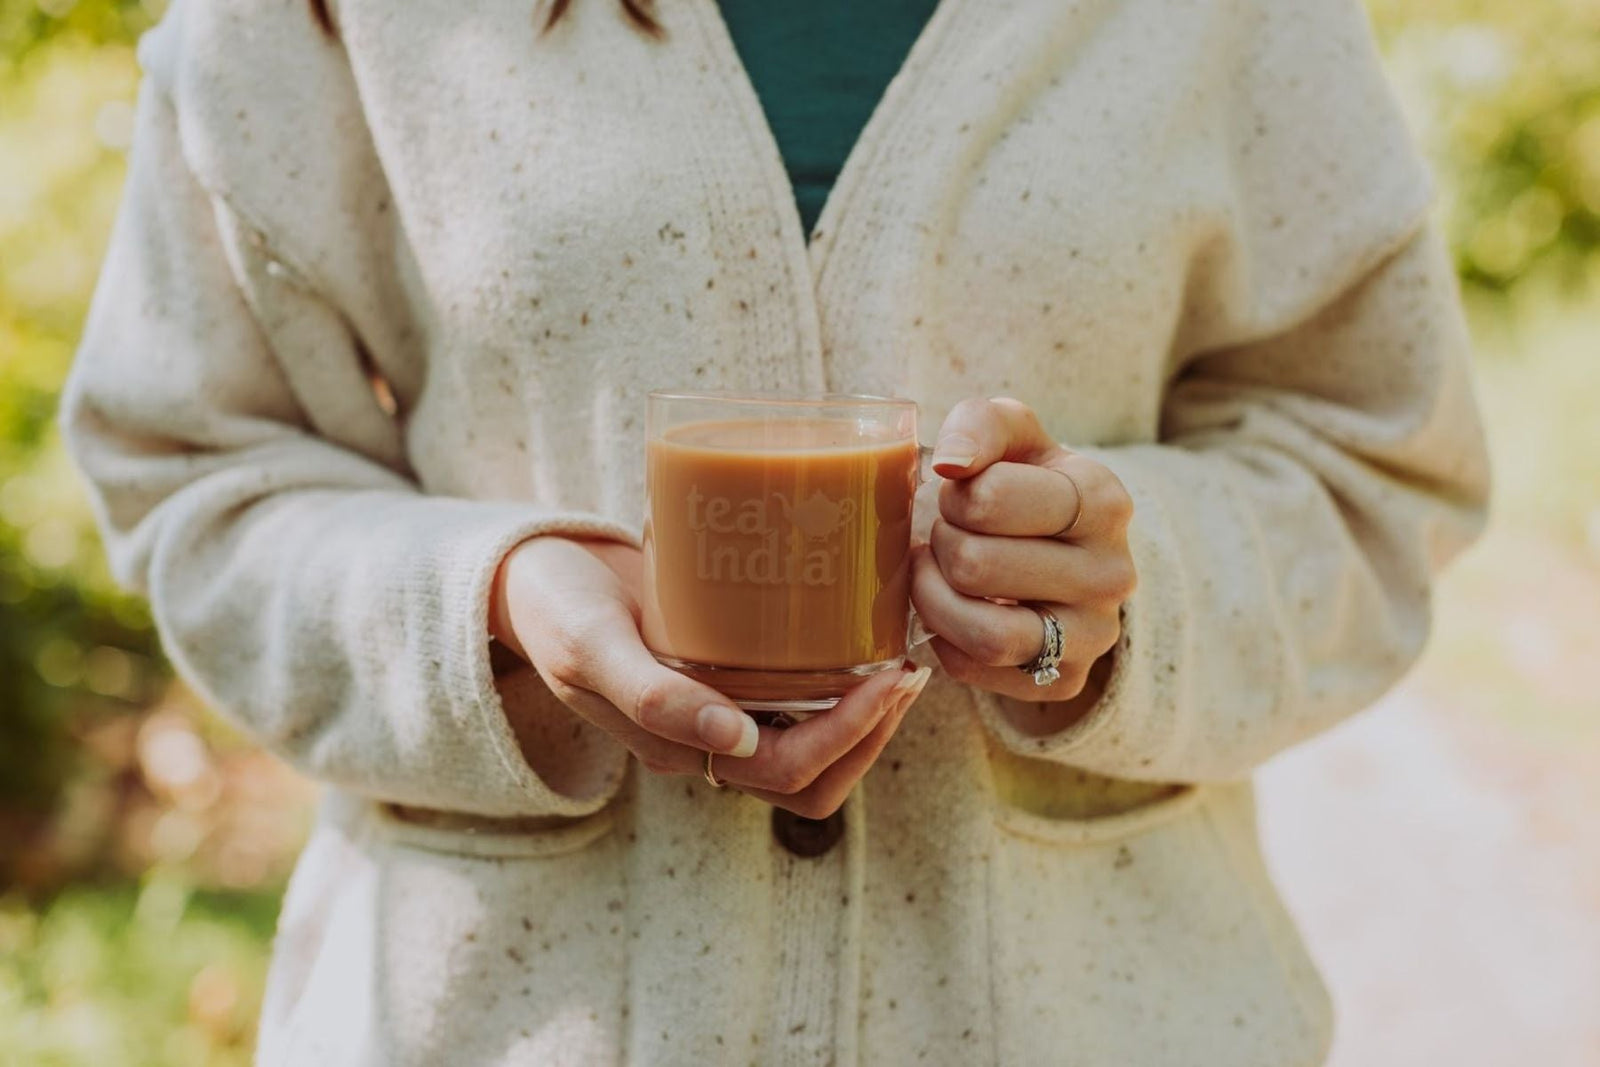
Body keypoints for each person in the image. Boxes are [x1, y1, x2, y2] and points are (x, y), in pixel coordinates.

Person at [62, 0, 1489, 1063]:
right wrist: (490, 605)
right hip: (501, 1019)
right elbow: (190, 469)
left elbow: (1376, 466)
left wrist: (1129, 590)